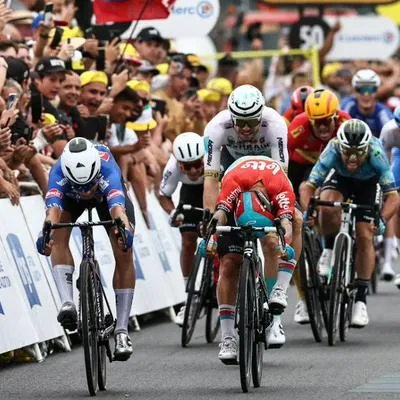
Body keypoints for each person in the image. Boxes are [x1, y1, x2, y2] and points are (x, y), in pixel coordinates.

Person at [204, 84, 303, 348]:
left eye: (251, 122)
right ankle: (227, 337)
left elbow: (279, 180)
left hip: (268, 177)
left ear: (261, 116)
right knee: (229, 262)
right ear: (231, 116)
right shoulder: (216, 128)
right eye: (240, 123)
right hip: (230, 176)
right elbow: (211, 180)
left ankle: (277, 305)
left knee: (288, 227)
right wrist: (211, 219)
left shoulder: (276, 125)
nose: (246, 129)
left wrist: (278, 215)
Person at [36, 137, 136, 361]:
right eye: (80, 186)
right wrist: (46, 235)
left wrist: (125, 232)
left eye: (88, 185)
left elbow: (118, 210)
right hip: (70, 201)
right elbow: (52, 213)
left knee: (124, 250)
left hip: (107, 200)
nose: (85, 191)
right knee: (58, 235)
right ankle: (67, 302)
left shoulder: (107, 167)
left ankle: (121, 331)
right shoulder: (58, 172)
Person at [300, 119, 399, 327]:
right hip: (341, 179)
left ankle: (360, 301)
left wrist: (381, 219)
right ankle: (328, 250)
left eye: (358, 153)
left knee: (365, 235)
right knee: (326, 206)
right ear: (341, 147)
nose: (352, 158)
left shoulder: (376, 154)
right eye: (348, 152)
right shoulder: (333, 149)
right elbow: (309, 187)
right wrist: (309, 210)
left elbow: (393, 197)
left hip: (368, 184)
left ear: (366, 149)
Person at [209, 155, 296, 363]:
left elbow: (287, 222)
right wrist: (210, 236)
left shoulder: (279, 184)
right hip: (236, 205)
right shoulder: (234, 181)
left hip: (269, 202)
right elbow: (220, 213)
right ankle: (228, 336)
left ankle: (277, 297)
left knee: (274, 243)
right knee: (229, 264)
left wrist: (285, 245)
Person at [159, 132, 204, 325]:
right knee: (188, 241)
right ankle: (190, 295)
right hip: (190, 196)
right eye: (187, 167)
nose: (193, 171)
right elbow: (164, 196)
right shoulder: (172, 168)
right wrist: (173, 214)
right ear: (179, 164)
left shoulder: (215, 160)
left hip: (215, 190)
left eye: (197, 165)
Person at [379, 105, 400, 282]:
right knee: (391, 196)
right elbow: (382, 164)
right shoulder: (389, 130)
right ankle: (387, 258)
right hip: (397, 156)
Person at [341, 69, 393, 137]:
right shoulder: (348, 105)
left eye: (370, 89)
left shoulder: (383, 113)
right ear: (354, 91)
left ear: (376, 91)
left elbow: (391, 139)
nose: (366, 94)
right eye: (361, 89)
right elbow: (340, 129)